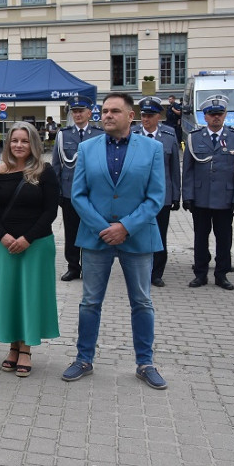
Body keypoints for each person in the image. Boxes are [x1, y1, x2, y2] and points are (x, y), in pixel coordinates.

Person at [62, 92, 167, 390]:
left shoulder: (153, 149)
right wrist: (103, 228)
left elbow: (156, 196)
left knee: (142, 302)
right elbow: (77, 195)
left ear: (130, 116)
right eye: (104, 111)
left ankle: (145, 363)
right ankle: (83, 359)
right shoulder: (87, 148)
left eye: (114, 111)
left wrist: (125, 227)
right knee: (90, 302)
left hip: (137, 237)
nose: (107, 115)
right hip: (97, 238)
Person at [0, 122, 60, 378]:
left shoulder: (45, 171)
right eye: (14, 140)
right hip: (4, 245)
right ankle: (13, 346)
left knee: (30, 296)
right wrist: (3, 235)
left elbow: (50, 211)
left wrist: (27, 238)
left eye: (24, 141)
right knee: (9, 297)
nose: (18, 145)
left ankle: (25, 348)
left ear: (34, 144)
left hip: (36, 245)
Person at [183, 96, 234, 290]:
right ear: (205, 117)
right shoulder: (194, 138)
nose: (216, 118)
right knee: (200, 238)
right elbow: (187, 171)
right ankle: (200, 274)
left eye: (219, 114)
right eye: (212, 114)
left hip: (225, 200)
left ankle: (221, 275)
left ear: (225, 115)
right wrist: (188, 195)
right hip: (201, 198)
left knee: (224, 239)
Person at [51, 94, 103, 281]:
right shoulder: (64, 135)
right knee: (71, 231)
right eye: (74, 111)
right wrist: (56, 191)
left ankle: (90, 266)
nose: (77, 114)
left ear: (89, 113)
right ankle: (73, 266)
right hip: (70, 192)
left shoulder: (99, 135)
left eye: (81, 111)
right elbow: (56, 165)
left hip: (92, 194)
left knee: (91, 230)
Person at [131, 97, 181, 288]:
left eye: (150, 116)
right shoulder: (133, 134)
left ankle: (157, 272)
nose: (146, 119)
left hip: (162, 196)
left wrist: (176, 195)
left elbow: (174, 168)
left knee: (159, 234)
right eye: (143, 115)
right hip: (137, 196)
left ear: (158, 116)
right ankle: (138, 269)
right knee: (137, 233)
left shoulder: (168, 135)